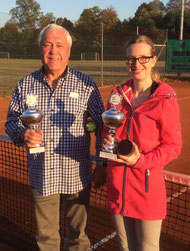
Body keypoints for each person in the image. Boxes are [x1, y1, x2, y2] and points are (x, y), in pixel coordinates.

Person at [5, 23, 106, 251]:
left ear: (69, 51)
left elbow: (103, 125)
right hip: (42, 173)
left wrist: (102, 163)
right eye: (47, 45)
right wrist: (23, 133)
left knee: (78, 237)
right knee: (46, 238)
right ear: (40, 49)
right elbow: (11, 121)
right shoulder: (25, 84)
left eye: (59, 45)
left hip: (77, 176)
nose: (53, 51)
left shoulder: (86, 84)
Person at [101, 35, 182, 251]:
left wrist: (141, 160)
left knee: (147, 248)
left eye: (143, 58)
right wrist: (107, 142)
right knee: (125, 247)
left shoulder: (165, 98)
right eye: (131, 59)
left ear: (153, 60)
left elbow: (173, 146)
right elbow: (106, 131)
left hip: (147, 188)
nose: (136, 64)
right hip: (118, 186)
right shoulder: (117, 95)